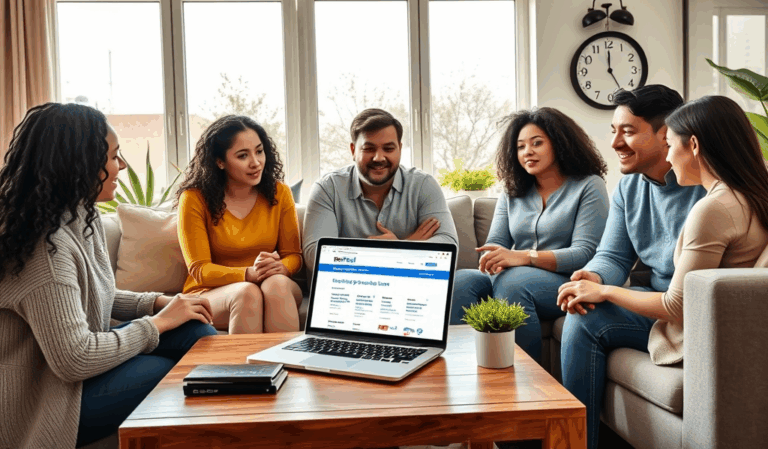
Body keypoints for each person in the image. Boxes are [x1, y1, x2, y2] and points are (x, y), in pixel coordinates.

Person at [0, 103, 218, 449]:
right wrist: (157, 324)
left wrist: (157, 303)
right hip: (48, 399)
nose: (123, 166)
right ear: (80, 164)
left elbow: (93, 293)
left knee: (196, 331)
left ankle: (232, 432)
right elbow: (75, 358)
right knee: (168, 373)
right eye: (114, 156)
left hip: (70, 376)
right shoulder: (45, 251)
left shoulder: (79, 217)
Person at [553, 85, 710, 449]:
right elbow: (614, 256)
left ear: (666, 133)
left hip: (687, 308)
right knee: (583, 309)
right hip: (654, 300)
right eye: (614, 131)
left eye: (627, 131)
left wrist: (603, 290)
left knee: (584, 320)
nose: (615, 143)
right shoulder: (628, 188)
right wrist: (591, 277)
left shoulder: (707, 184)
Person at [449, 108, 610, 364]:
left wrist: (523, 257)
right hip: (513, 275)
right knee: (461, 281)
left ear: (560, 144)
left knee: (514, 281)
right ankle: (466, 369)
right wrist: (492, 258)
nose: (528, 152)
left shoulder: (589, 185)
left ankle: (527, 383)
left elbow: (584, 253)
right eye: (521, 146)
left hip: (566, 280)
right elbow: (498, 244)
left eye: (537, 143)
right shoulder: (512, 191)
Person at [176, 115, 303, 334]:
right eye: (243, 155)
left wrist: (282, 267)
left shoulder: (280, 192)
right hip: (211, 292)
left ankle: (288, 366)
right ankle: (245, 369)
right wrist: (248, 274)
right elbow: (200, 269)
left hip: (267, 284)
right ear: (220, 161)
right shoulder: (194, 198)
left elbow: (293, 255)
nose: (255, 162)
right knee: (246, 293)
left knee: (277, 285)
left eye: (259, 151)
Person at [303, 108, 459, 273]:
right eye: (369, 149)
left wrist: (399, 247)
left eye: (389, 149)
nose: (378, 157)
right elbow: (316, 256)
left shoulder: (423, 185)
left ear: (399, 148)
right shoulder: (328, 188)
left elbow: (448, 249)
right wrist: (402, 247)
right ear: (353, 150)